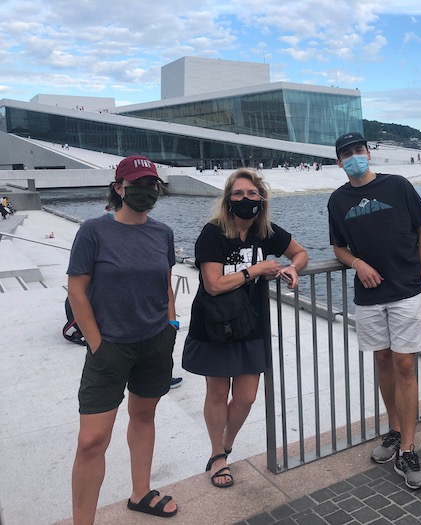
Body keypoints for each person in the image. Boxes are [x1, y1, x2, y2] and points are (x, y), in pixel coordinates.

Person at [67, 155, 179, 523]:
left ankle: (141, 492)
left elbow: (166, 281)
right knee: (91, 441)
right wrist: (97, 343)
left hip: (154, 342)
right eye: (138, 184)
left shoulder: (162, 232)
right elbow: (77, 290)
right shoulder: (94, 231)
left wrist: (171, 324)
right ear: (119, 188)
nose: (147, 191)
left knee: (144, 415)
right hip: (110, 347)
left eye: (152, 184)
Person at [182, 168, 307, 489]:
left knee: (247, 397)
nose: (245, 199)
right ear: (227, 200)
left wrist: (293, 267)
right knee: (218, 392)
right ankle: (217, 456)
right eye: (238, 194)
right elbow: (213, 284)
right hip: (215, 324)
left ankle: (226, 444)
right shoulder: (212, 233)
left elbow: (300, 252)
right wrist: (256, 270)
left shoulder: (266, 232)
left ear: (261, 200)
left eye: (252, 194)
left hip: (251, 324)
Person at [327, 132, 421, 490]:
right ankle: (395, 429)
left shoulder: (398, 186)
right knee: (383, 360)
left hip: (405, 290)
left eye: (359, 150)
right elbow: (338, 247)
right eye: (347, 154)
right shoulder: (338, 200)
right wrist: (357, 263)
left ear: (368, 154)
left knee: (405, 363)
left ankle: (408, 450)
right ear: (339, 162)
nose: (354, 157)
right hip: (369, 295)